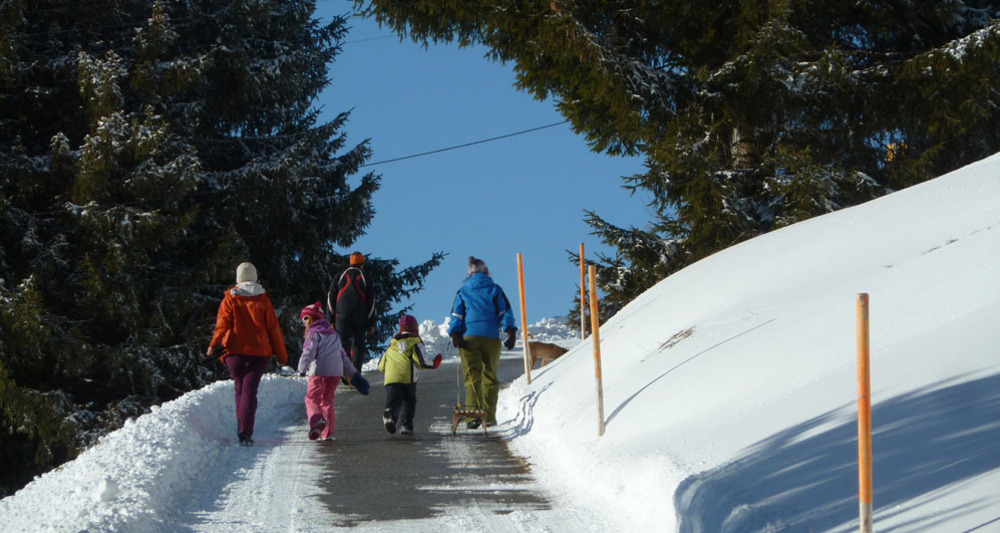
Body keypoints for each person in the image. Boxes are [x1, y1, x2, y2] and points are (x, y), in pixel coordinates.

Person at [207, 262, 289, 446]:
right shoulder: (263, 300)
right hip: (259, 353)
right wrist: (283, 357)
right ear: (255, 277)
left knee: (239, 387)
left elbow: (222, 325)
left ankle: (241, 426)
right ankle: (245, 433)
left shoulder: (230, 298)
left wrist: (214, 344)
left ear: (238, 278)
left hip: (233, 352)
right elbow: (274, 329)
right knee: (250, 391)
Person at [447, 256, 518, 429]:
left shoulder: (463, 291)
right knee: (490, 376)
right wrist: (510, 332)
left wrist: (455, 334)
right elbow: (505, 312)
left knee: (472, 376)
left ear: (469, 273)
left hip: (469, 337)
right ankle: (489, 416)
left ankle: (472, 417)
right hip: (492, 338)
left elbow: (457, 315)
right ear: (486, 272)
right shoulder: (495, 289)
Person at [297, 302, 370, 441]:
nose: (304, 322)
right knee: (327, 400)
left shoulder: (314, 333)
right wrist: (353, 374)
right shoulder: (333, 334)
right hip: (335, 372)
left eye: (306, 318)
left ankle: (317, 420)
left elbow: (309, 352)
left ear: (313, 318)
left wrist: (301, 369)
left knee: (312, 398)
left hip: (319, 370)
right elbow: (343, 356)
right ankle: (327, 433)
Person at [378, 314, 442, 435]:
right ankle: (405, 425)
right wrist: (434, 363)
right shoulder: (413, 342)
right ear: (415, 328)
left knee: (393, 400)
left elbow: (381, 364)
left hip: (390, 378)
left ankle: (390, 413)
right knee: (409, 401)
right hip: (407, 378)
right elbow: (420, 361)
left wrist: (387, 370)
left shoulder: (391, 345)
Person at [327, 251, 377, 377]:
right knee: (358, 343)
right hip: (359, 315)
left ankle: (344, 372)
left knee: (343, 343)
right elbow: (371, 301)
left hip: (341, 315)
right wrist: (371, 322)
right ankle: (355, 374)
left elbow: (331, 297)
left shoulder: (340, 276)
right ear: (362, 264)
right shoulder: (365, 277)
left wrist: (330, 319)